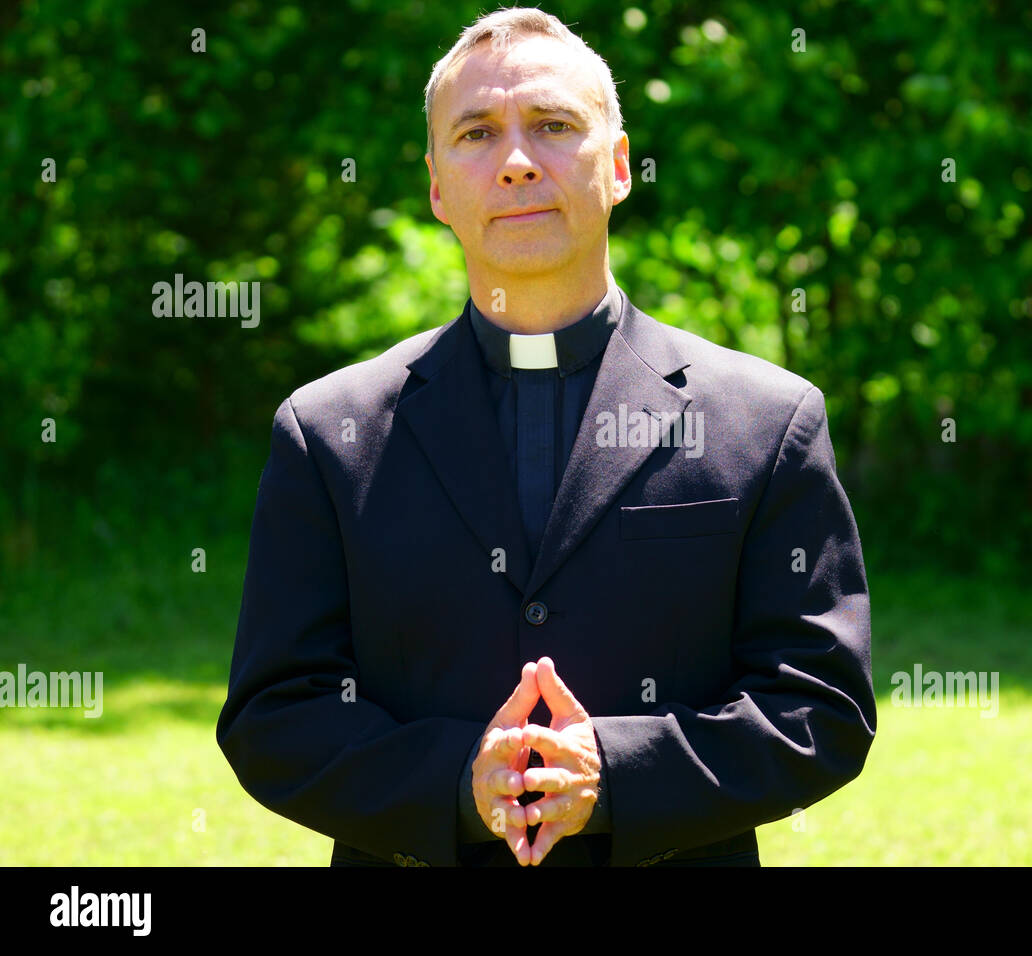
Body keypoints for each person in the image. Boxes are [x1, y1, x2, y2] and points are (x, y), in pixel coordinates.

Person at [216, 5, 875, 868]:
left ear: (619, 166)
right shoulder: (329, 433)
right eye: (478, 133)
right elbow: (274, 715)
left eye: (555, 126)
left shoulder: (767, 420)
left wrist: (618, 773)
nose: (519, 162)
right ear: (437, 188)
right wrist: (457, 780)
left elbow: (821, 703)